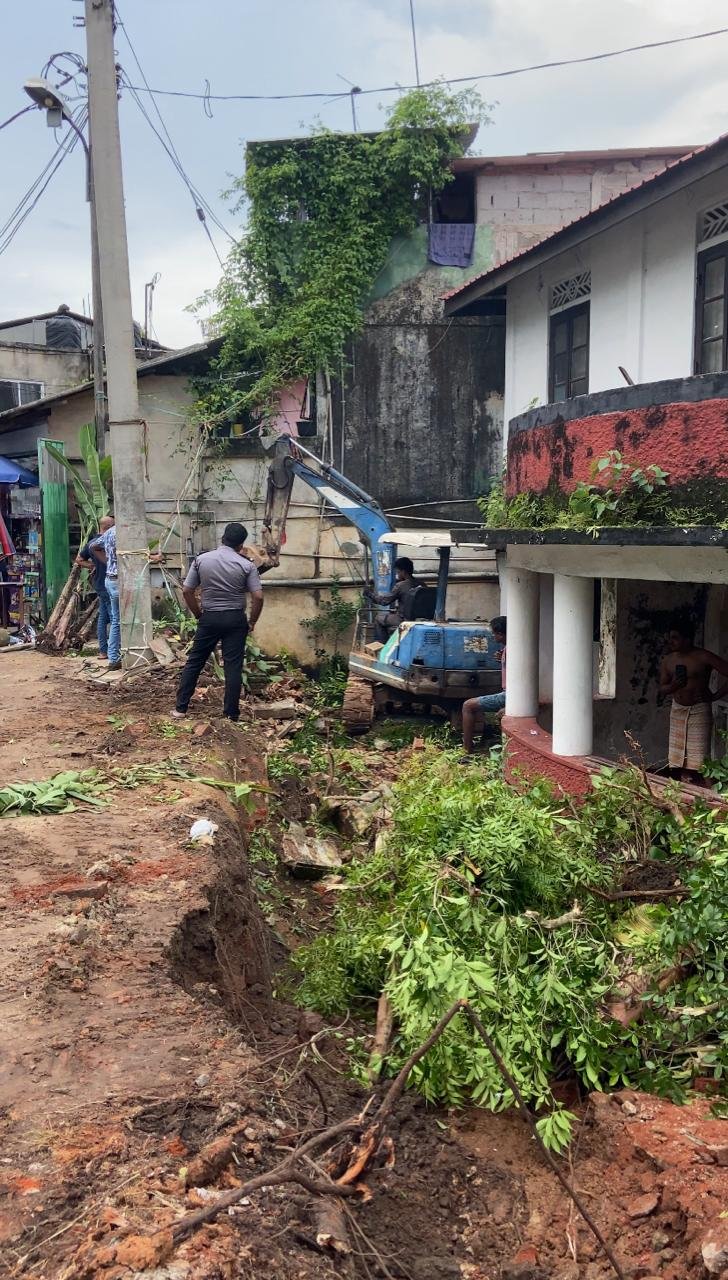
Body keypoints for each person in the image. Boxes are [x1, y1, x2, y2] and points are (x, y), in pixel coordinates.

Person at [173, 522, 264, 722]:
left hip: (210, 617)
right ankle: (231, 714)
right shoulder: (247, 565)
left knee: (195, 661)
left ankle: (180, 709)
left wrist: (198, 614)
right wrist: (252, 621)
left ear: (223, 539)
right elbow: (258, 596)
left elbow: (187, 590)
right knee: (233, 666)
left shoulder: (202, 560)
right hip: (235, 619)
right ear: (241, 545)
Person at [659, 619, 728, 783]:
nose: (671, 641)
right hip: (677, 710)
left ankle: (710, 790)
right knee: (678, 757)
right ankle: (683, 784)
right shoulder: (668, 660)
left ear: (687, 639)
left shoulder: (704, 657)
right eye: (670, 637)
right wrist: (673, 686)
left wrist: (715, 696)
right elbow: (662, 688)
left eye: (675, 638)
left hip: (699, 709)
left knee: (701, 757)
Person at [461, 616, 507, 758]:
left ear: (501, 634)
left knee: (468, 706)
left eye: (494, 633)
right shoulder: (508, 649)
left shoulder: (511, 650)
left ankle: (466, 750)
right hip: (509, 693)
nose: (493, 636)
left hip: (509, 695)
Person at [76, 515, 114, 659]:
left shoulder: (92, 543)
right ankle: (113, 652)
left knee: (103, 618)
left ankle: (103, 651)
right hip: (108, 584)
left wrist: (92, 565)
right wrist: (94, 565)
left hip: (99, 584)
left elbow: (79, 560)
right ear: (109, 527)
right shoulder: (108, 541)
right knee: (114, 618)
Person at [90, 519, 121, 670]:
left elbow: (93, 546)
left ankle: (112, 654)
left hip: (109, 580)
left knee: (113, 619)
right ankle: (114, 657)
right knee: (117, 620)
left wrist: (107, 561)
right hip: (118, 581)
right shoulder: (121, 533)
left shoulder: (108, 533)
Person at [369, 557, 420, 643]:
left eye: (398, 572)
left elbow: (384, 601)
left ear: (403, 572)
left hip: (404, 619)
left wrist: (370, 594)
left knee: (378, 618)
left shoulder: (400, 585)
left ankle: (382, 646)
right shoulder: (421, 584)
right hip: (419, 619)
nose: (397, 575)